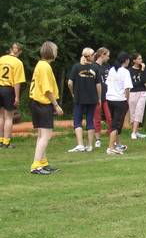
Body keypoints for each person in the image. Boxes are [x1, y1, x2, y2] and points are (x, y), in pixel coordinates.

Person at [29, 41, 64, 175]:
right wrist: (56, 105)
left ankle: (43, 162)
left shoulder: (41, 65)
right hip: (42, 104)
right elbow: (47, 89)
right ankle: (36, 165)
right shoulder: (45, 67)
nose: (56, 53)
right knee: (46, 135)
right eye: (55, 50)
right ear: (51, 52)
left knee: (41, 135)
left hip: (36, 102)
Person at [67, 48, 101, 153]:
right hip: (92, 98)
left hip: (79, 98)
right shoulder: (95, 67)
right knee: (90, 121)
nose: (94, 56)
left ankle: (80, 145)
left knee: (77, 121)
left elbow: (69, 83)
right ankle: (90, 146)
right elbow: (98, 84)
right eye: (93, 54)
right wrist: (99, 98)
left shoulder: (76, 67)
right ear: (89, 56)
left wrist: (72, 93)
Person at [105, 52, 133, 155]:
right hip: (120, 100)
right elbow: (127, 88)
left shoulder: (112, 70)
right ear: (125, 60)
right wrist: (127, 100)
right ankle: (110, 147)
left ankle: (117, 144)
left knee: (114, 122)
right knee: (116, 125)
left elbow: (107, 84)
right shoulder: (125, 72)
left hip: (109, 99)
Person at [0, 43, 26, 149]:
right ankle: (6, 142)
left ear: (10, 49)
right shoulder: (18, 63)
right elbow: (17, 82)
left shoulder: (1, 59)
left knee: (0, 116)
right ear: (20, 52)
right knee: (9, 117)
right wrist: (17, 97)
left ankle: (0, 140)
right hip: (8, 90)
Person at [93, 47, 112, 148]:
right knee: (97, 118)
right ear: (102, 55)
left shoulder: (108, 66)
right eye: (107, 55)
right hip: (97, 97)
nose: (108, 57)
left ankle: (111, 136)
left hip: (107, 96)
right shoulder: (93, 66)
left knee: (110, 118)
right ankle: (98, 139)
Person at [128, 53, 146, 140]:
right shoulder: (129, 71)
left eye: (141, 58)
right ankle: (135, 132)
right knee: (132, 112)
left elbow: (144, 80)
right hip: (132, 93)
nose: (141, 60)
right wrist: (140, 83)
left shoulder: (143, 69)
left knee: (139, 111)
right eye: (139, 59)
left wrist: (143, 69)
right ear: (134, 61)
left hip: (142, 92)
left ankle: (133, 132)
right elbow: (131, 84)